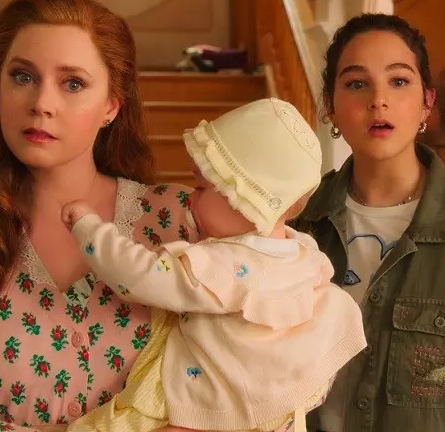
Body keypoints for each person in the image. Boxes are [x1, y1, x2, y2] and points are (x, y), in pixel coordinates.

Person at [0, 0, 198, 432]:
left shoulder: (179, 221)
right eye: (23, 76)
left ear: (111, 106)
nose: (41, 103)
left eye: (73, 83)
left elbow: (257, 379)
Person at [60, 98, 367, 432]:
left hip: (203, 406)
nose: (189, 198)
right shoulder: (302, 253)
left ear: (241, 200)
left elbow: (137, 276)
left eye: (200, 187)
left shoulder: (224, 265)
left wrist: (89, 228)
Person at [290, 13, 445, 432]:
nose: (378, 100)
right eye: (356, 83)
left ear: (427, 102)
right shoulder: (296, 225)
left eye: (399, 81)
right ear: (330, 106)